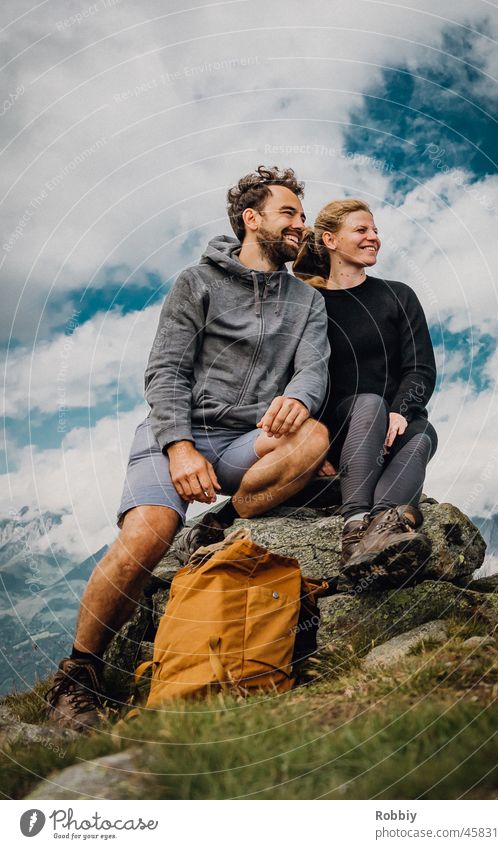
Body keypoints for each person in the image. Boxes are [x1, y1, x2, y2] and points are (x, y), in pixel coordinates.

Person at [46, 165, 330, 730]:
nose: (302, 224)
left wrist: (300, 399)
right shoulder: (196, 282)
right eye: (289, 213)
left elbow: (314, 371)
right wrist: (178, 446)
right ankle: (78, 677)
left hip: (247, 441)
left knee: (315, 436)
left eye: (302, 214)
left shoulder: (306, 301)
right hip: (180, 432)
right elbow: (166, 372)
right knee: (147, 533)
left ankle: (230, 514)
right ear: (252, 220)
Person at [293, 198, 437, 592]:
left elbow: (420, 367)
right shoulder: (309, 304)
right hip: (340, 434)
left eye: (375, 230)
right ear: (331, 240)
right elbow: (294, 377)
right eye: (362, 230)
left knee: (423, 433)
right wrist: (312, 447)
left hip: (393, 427)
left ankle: (377, 534)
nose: (374, 237)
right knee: (369, 402)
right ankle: (354, 523)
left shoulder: (398, 295)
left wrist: (401, 411)